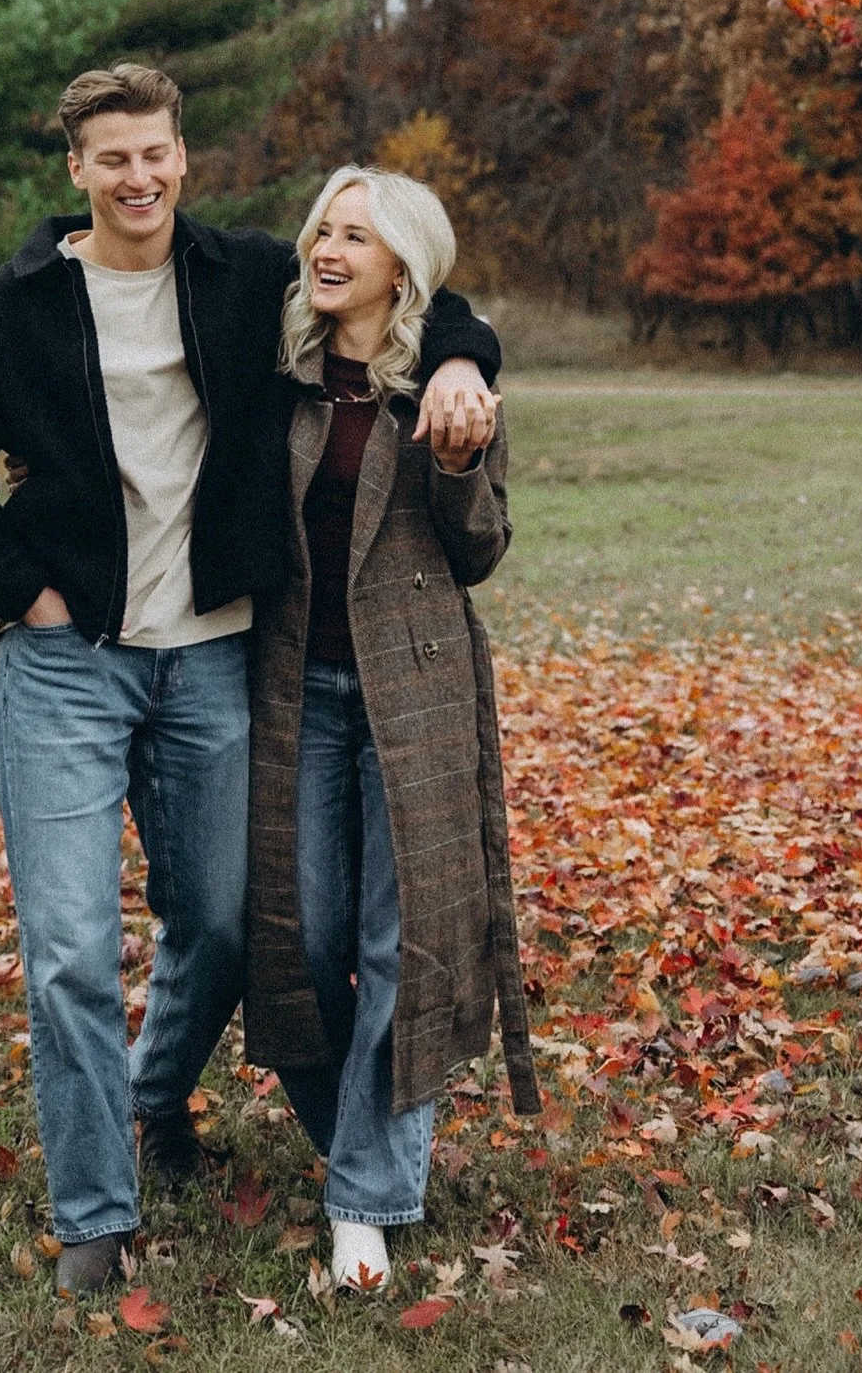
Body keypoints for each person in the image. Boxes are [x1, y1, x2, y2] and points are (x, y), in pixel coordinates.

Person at [0, 65, 501, 1294]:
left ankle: (154, 1094)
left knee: (228, 925)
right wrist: (25, 590)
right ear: (77, 168)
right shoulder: (9, 308)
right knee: (71, 949)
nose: (138, 177)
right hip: (66, 666)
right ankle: (95, 1215)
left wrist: (465, 358)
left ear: (183, 155)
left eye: (156, 153)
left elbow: (400, 280)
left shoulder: (238, 282)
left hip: (216, 655)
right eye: (111, 157)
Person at [243, 167, 541, 1293]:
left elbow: (482, 551)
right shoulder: (276, 375)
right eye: (325, 225)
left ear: (402, 266)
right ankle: (367, 1138)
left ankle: (364, 1195)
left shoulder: (447, 393)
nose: (327, 246)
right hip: (293, 690)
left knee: (401, 942)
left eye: (356, 235)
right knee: (303, 943)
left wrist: (458, 465)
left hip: (412, 693)